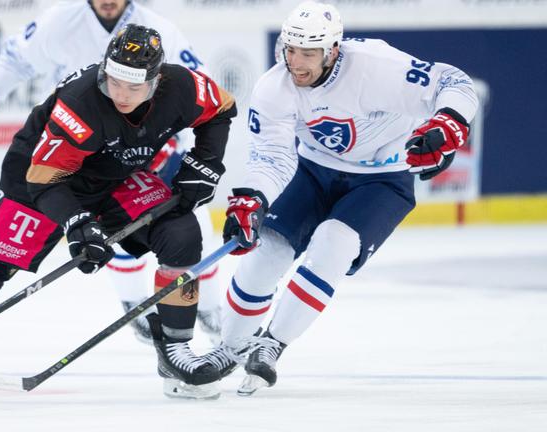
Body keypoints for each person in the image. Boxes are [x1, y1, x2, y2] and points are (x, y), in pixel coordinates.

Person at [0, 24, 237, 401]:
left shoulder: (183, 86)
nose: (120, 94)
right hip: (38, 181)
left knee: (181, 232)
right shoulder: (82, 102)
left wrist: (205, 163)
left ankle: (175, 350)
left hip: (112, 179)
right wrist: (78, 225)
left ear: (156, 81)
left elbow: (222, 108)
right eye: (113, 81)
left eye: (133, 86)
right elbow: (45, 180)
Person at [203, 1, 479, 396]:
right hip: (314, 170)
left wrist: (448, 123)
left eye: (309, 53)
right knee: (269, 251)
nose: (296, 62)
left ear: (333, 49)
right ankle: (228, 348)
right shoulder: (273, 87)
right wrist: (253, 197)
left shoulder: (376, 66)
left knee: (335, 244)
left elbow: (454, 82)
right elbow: (274, 156)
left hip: (382, 178)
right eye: (291, 49)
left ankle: (272, 343)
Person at [0, 0, 224, 344]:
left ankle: (211, 308)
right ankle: (133, 302)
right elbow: (17, 59)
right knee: (114, 225)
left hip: (146, 142)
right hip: (83, 152)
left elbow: (197, 87)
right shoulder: (59, 21)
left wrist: (176, 140)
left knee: (188, 223)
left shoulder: (159, 31)